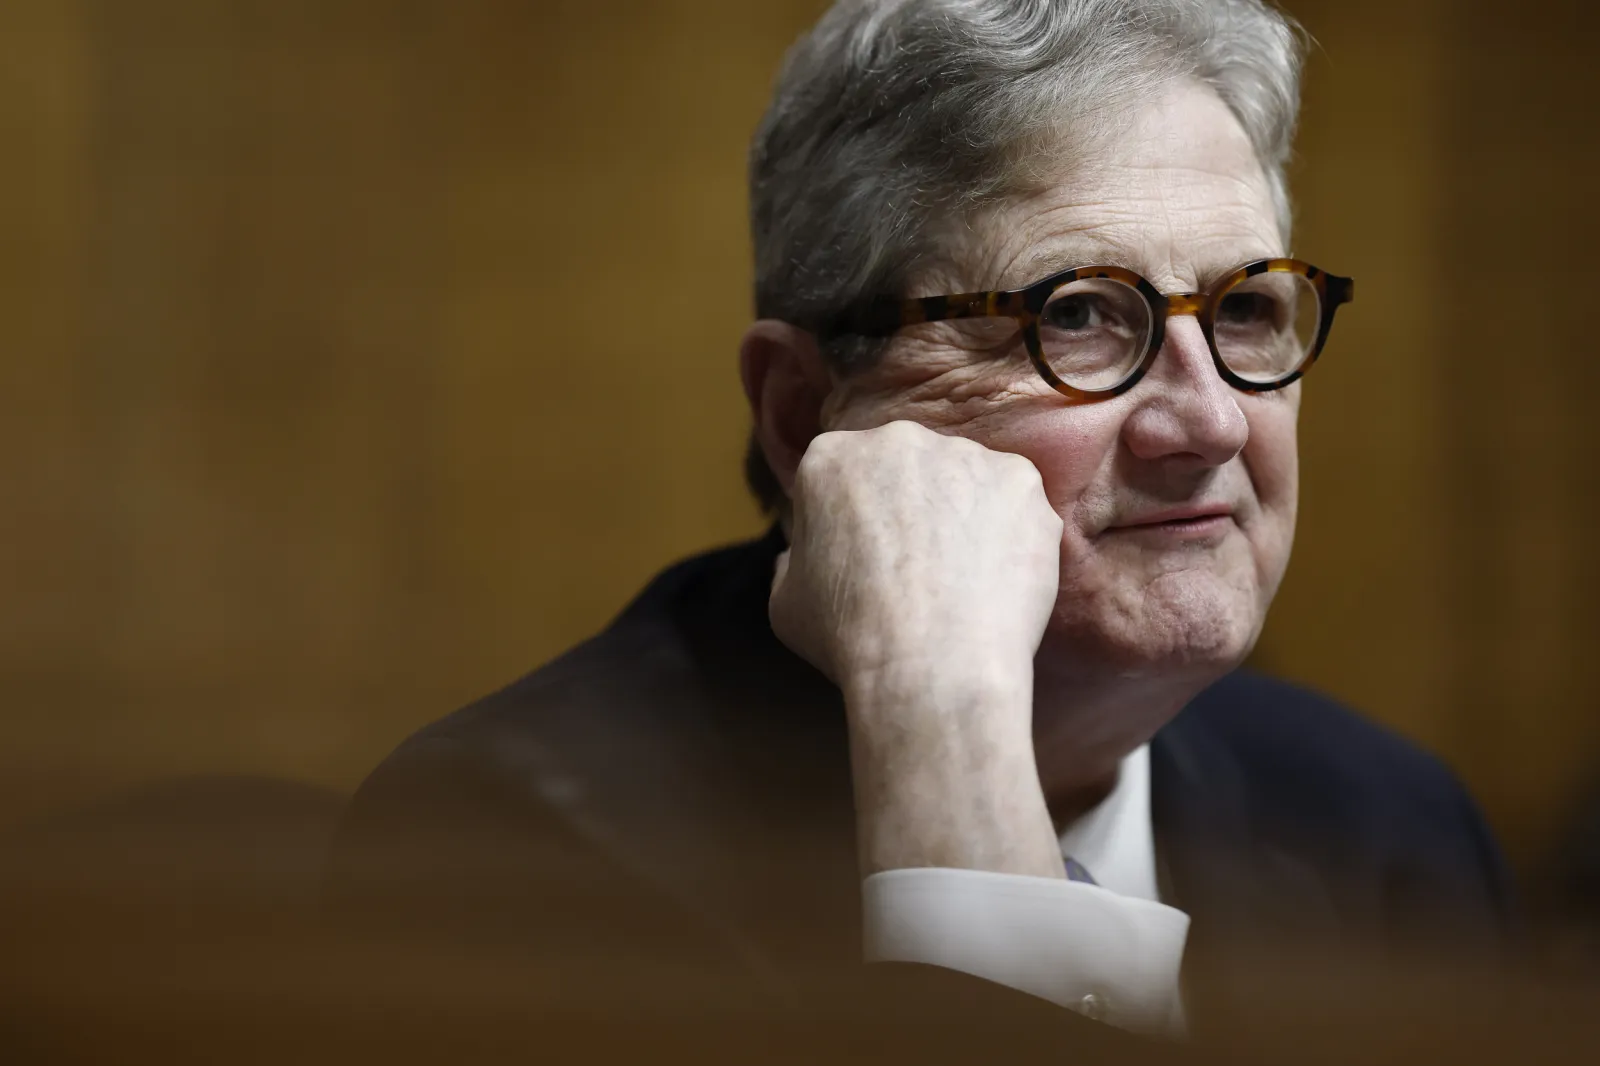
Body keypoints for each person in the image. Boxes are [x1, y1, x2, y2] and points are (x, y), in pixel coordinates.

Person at [326, 0, 1512, 1048]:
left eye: (1247, 308)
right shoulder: (513, 855)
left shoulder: (1385, 826)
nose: (1206, 420)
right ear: (803, 411)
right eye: (1083, 315)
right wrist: (943, 721)